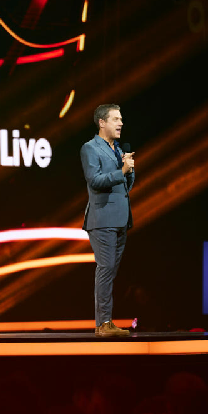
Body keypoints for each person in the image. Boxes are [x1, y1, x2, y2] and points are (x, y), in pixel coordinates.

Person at [81, 104, 135, 337]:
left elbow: (125, 187)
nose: (120, 123)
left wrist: (129, 171)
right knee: (105, 269)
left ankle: (105, 322)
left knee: (110, 271)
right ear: (102, 123)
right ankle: (103, 324)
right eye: (115, 119)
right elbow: (95, 181)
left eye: (121, 119)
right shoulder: (90, 149)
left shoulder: (117, 149)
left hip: (120, 219)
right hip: (102, 219)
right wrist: (122, 171)